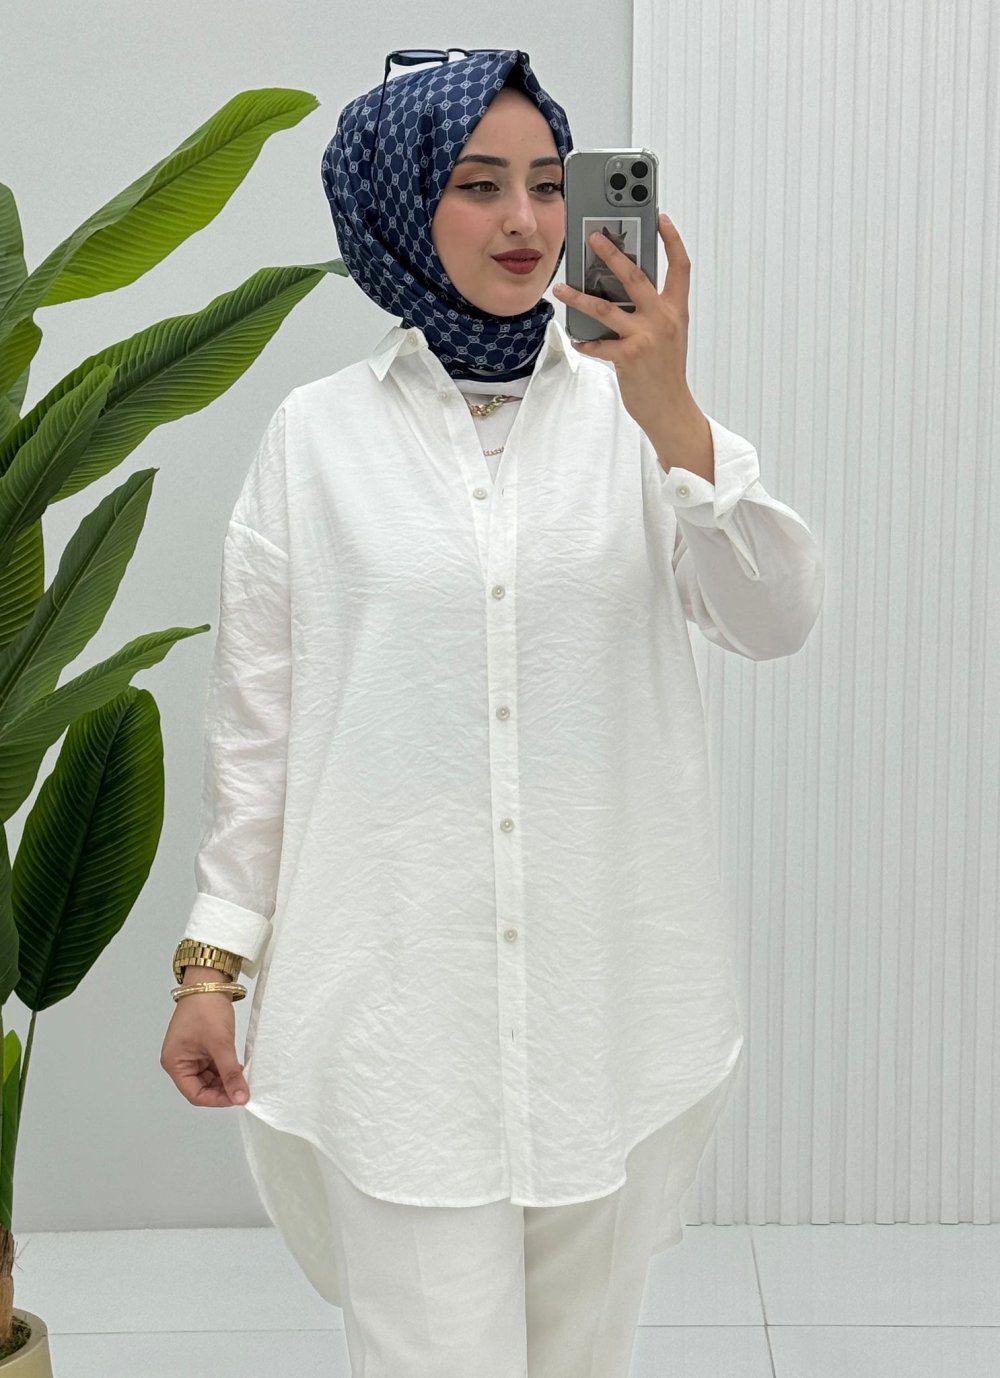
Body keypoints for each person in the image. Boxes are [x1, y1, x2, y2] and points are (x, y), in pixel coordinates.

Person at [161, 48, 824, 1378]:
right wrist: (213, 967)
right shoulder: (314, 439)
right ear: (403, 207)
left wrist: (674, 416)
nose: (525, 221)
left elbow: (773, 617)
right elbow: (261, 730)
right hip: (398, 1020)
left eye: (545, 183)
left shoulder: (643, 421)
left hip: (607, 1007)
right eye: (477, 185)